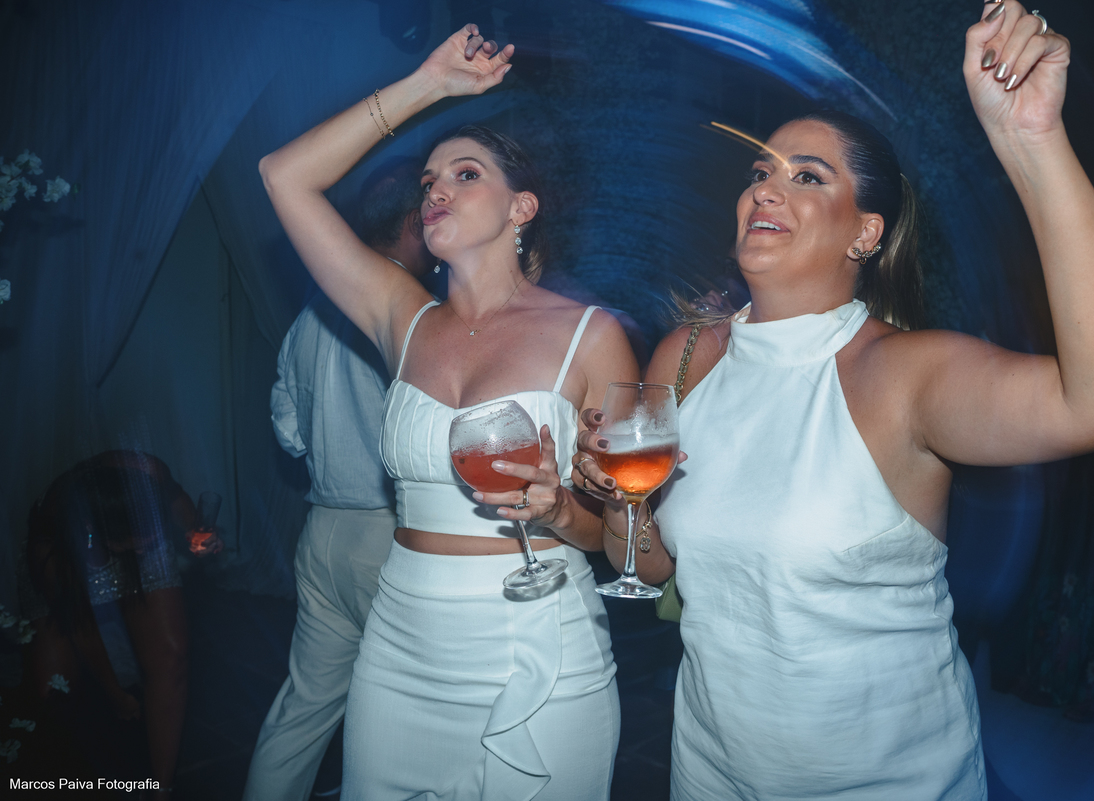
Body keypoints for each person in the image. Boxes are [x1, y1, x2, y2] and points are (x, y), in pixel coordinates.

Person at [573, 4, 1094, 799]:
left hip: (886, 780)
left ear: (866, 234)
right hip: (711, 771)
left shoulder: (904, 374)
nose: (766, 188)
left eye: (807, 176)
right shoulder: (686, 354)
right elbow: (656, 566)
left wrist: (1032, 141)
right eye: (760, 173)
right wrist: (617, 497)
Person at [258, 24, 637, 800]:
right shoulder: (400, 315)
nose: (436, 191)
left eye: (466, 175)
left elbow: (619, 538)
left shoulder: (591, 336)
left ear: (522, 207)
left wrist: (560, 508)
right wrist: (427, 85)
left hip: (539, 638)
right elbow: (282, 175)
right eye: (429, 180)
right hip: (400, 639)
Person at [243, 185, 435, 799]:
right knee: (419, 710)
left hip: (323, 529)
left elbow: (289, 433)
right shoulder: (411, 313)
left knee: (305, 705)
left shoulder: (311, 315)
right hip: (395, 535)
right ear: (415, 223)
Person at [24, 451, 206, 800]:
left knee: (172, 656)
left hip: (116, 539)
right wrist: (116, 694)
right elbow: (83, 628)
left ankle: (161, 789)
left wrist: (196, 532)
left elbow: (178, 500)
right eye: (133, 544)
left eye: (151, 537)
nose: (143, 549)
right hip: (68, 564)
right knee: (54, 690)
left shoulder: (150, 472)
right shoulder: (54, 546)